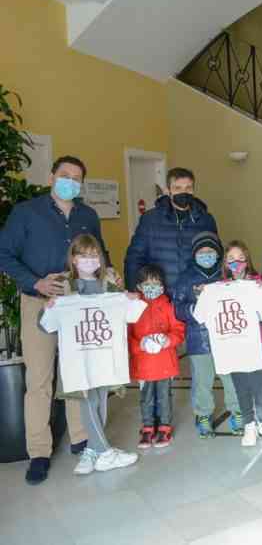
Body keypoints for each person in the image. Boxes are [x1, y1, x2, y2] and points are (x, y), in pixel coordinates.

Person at [0, 155, 108, 485]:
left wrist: (109, 277)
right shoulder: (26, 213)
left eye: (77, 178)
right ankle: (39, 453)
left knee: (77, 373)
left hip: (78, 300)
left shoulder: (88, 215)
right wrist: (35, 283)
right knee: (40, 379)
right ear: (51, 178)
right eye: (65, 176)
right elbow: (4, 253)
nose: (70, 182)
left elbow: (99, 253)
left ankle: (80, 438)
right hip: (39, 300)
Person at [43, 234, 142, 476]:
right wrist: (49, 308)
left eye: (93, 255)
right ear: (73, 259)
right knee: (89, 401)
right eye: (83, 256)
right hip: (79, 357)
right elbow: (45, 325)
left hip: (103, 355)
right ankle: (105, 453)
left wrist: (130, 297)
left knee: (100, 400)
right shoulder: (64, 284)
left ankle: (93, 450)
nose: (89, 260)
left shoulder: (109, 281)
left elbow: (131, 312)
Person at [172, 232, 243, 438]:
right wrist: (196, 308)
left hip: (226, 338)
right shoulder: (185, 278)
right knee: (203, 380)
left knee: (230, 377)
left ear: (218, 253)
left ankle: (236, 411)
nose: (206, 255)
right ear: (194, 254)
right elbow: (178, 308)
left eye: (210, 251)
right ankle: (203, 415)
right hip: (198, 340)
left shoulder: (226, 274)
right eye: (201, 252)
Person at [218, 240, 262, 446]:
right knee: (241, 388)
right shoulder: (219, 288)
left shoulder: (256, 282)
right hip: (233, 348)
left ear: (247, 261)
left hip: (257, 349)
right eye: (231, 259)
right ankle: (249, 424)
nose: (236, 263)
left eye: (240, 258)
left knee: (260, 388)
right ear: (225, 263)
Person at [124, 167, 218, 294]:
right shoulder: (150, 220)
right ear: (168, 191)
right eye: (177, 188)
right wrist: (133, 289)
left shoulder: (206, 220)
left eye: (188, 188)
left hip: (193, 295)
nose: (184, 192)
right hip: (158, 295)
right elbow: (134, 257)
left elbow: (216, 257)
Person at [128, 264, 185, 449]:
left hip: (164, 363)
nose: (151, 287)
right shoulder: (134, 307)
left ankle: (164, 426)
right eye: (147, 283)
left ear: (162, 285)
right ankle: (147, 427)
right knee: (146, 397)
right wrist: (140, 345)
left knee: (163, 396)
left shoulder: (168, 306)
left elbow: (178, 330)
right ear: (139, 286)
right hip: (143, 364)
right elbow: (128, 336)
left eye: (156, 283)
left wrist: (167, 340)